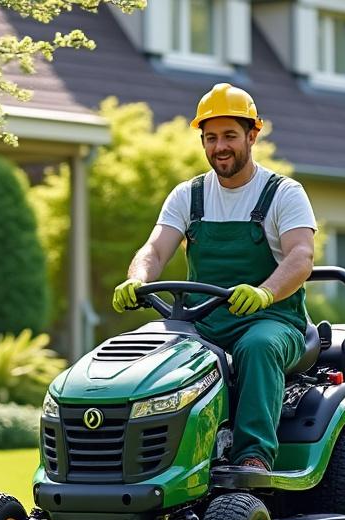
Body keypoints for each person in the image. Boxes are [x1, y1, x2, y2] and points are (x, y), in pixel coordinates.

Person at [112, 83, 317, 474]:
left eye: (229, 136)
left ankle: (253, 456)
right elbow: (154, 250)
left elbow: (301, 257)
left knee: (257, 346)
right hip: (202, 324)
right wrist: (137, 279)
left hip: (273, 322)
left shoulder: (283, 193)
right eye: (210, 138)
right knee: (147, 352)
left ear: (252, 135)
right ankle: (146, 462)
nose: (219, 147)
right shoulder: (188, 195)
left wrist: (263, 293)